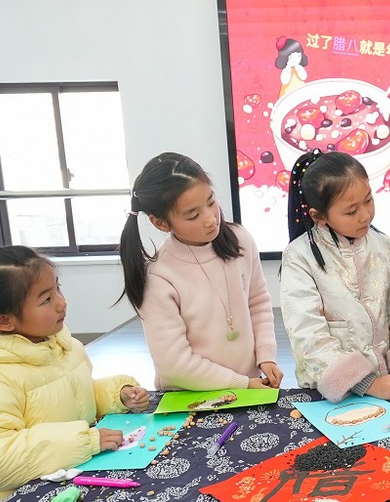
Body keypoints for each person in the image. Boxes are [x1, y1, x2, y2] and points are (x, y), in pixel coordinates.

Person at [0, 247, 148, 502]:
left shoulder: (61, 346)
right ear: (4, 320)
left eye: (57, 289)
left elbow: (73, 399)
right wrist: (82, 441)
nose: (62, 303)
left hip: (58, 492)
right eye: (46, 299)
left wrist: (117, 394)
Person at [119, 152, 283, 391]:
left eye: (211, 201)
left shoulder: (240, 240)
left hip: (248, 386)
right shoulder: (158, 276)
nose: (210, 219)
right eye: (193, 215)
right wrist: (242, 384)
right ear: (160, 223)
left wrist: (266, 356)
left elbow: (257, 301)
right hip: (189, 397)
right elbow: (175, 365)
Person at [280, 150, 390, 401]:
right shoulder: (299, 257)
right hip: (331, 394)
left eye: (368, 200)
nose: (365, 215)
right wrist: (366, 383)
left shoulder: (381, 244)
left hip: (389, 385)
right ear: (318, 216)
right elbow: (307, 334)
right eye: (351, 211)